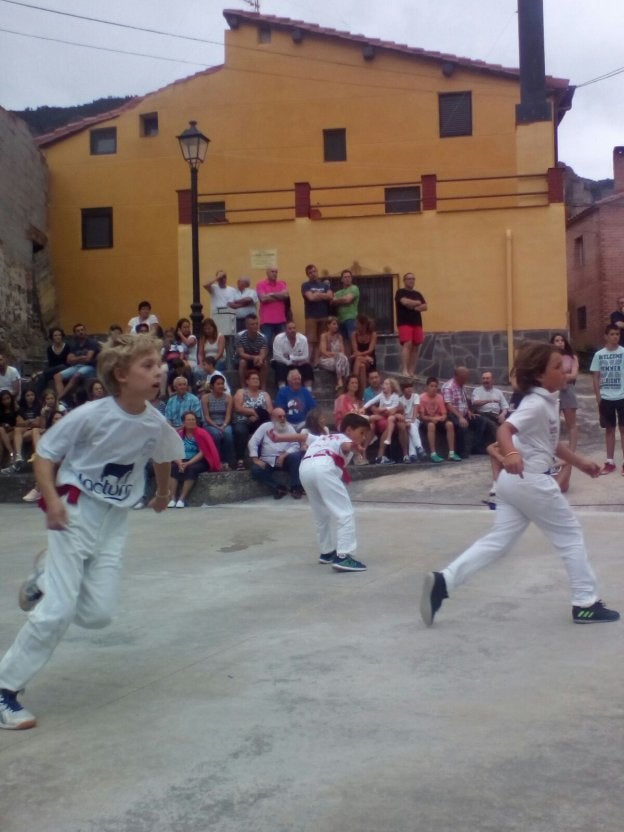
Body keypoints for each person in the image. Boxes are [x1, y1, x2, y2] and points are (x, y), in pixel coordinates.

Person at [0, 334, 184, 729]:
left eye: (159, 365)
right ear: (121, 375)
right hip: (74, 506)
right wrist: (51, 501)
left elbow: (164, 455)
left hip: (114, 519)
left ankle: (44, 575)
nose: (160, 372)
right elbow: (45, 454)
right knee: (58, 611)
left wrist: (164, 493)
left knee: (98, 614)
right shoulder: (90, 415)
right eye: (148, 366)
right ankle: (5, 688)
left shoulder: (155, 421)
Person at [420, 340, 620, 628]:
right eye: (556, 367)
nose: (564, 371)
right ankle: (585, 602)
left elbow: (550, 443)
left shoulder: (547, 400)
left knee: (499, 541)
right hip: (531, 481)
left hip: (511, 484)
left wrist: (579, 462)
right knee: (570, 537)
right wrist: (511, 453)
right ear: (539, 375)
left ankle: (444, 581)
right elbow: (505, 428)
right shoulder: (536, 403)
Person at [299, 413, 371, 571]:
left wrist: (277, 438)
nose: (364, 437)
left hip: (305, 468)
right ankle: (344, 556)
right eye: (361, 433)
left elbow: (301, 437)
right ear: (349, 430)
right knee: (345, 512)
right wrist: (354, 446)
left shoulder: (324, 438)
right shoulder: (344, 438)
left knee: (321, 514)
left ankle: (326, 552)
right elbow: (346, 446)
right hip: (323, 467)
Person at [590, 323, 624, 475]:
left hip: (622, 396)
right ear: (606, 336)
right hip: (606, 398)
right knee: (609, 429)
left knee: (623, 429)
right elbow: (596, 378)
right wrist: (599, 398)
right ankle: (610, 462)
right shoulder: (599, 355)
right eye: (612, 334)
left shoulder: (623, 352)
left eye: (617, 334)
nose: (615, 337)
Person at [248, 408, 305, 499]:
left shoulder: (289, 427)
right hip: (268, 460)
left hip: (286, 459)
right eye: (279, 417)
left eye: (284, 416)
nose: (283, 419)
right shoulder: (265, 427)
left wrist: (284, 455)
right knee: (255, 469)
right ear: (272, 418)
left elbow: (295, 445)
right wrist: (255, 459)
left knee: (296, 456)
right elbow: (253, 442)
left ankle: (296, 487)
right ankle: (278, 487)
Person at [168, 411, 221, 507]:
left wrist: (188, 463)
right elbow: (174, 451)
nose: (191, 421)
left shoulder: (202, 433)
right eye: (189, 420)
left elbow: (202, 452)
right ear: (183, 422)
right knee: (174, 468)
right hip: (182, 459)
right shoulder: (179, 434)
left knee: (191, 469)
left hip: (199, 460)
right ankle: (172, 498)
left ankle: (182, 499)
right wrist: (180, 463)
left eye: (193, 419)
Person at [442, 366, 493, 458]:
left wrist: (469, 411)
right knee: (461, 425)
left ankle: (475, 447)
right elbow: (448, 405)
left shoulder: (461, 385)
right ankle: (461, 451)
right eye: (464, 378)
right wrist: (460, 417)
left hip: (464, 414)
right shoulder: (448, 387)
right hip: (452, 415)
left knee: (482, 421)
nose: (466, 380)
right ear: (457, 377)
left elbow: (463, 401)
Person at [232, 370, 273, 470]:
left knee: (265, 430)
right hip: (242, 420)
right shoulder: (241, 392)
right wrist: (254, 412)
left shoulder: (264, 394)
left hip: (259, 421)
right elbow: (237, 407)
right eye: (253, 379)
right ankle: (240, 460)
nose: (256, 380)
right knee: (240, 430)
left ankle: (266, 458)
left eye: (257, 379)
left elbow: (270, 410)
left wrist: (257, 415)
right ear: (247, 381)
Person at [363, 377, 407, 464]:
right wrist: (363, 407)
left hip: (390, 418)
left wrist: (383, 409)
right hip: (382, 416)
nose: (384, 385)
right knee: (372, 418)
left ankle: (380, 455)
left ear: (392, 387)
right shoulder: (381, 395)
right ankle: (365, 448)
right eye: (384, 383)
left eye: (386, 384)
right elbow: (372, 401)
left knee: (389, 423)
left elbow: (392, 409)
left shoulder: (395, 396)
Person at [53, 323, 99, 403]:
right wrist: (81, 358)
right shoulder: (74, 345)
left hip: (90, 368)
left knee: (76, 375)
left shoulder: (92, 342)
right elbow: (69, 360)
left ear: (85, 331)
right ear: (75, 334)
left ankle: (59, 398)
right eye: (78, 331)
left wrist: (75, 359)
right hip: (78, 366)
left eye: (82, 330)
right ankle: (62, 402)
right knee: (57, 376)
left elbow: (88, 359)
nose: (81, 332)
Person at [550, 333, 579, 452]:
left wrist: (559, 376)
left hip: (568, 390)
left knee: (571, 423)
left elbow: (574, 375)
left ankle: (572, 450)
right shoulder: (548, 357)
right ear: (552, 343)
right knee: (552, 422)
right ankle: (553, 448)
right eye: (557, 340)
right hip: (553, 391)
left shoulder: (572, 357)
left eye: (562, 340)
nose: (560, 342)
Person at [417, 377, 457, 463]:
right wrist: (432, 419)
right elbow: (422, 416)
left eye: (435, 386)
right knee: (431, 425)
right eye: (431, 386)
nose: (434, 388)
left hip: (438, 419)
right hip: (427, 420)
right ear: (427, 387)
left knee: (449, 424)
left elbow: (444, 413)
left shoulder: (439, 397)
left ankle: (451, 453)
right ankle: (433, 453)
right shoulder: (422, 398)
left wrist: (442, 417)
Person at [395, 272, 427, 376]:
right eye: (409, 279)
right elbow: (404, 302)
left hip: (417, 323)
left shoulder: (418, 294)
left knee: (416, 345)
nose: (411, 280)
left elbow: (425, 306)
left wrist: (413, 305)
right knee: (407, 343)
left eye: (413, 279)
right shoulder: (400, 292)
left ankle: (412, 371)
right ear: (404, 281)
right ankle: (405, 369)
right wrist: (417, 303)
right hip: (404, 322)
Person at [200, 374, 235, 469]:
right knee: (216, 435)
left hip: (224, 423)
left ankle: (227, 461)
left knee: (228, 435)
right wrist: (217, 427)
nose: (221, 386)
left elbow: (228, 416)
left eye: (222, 384)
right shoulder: (205, 398)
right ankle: (217, 461)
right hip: (210, 423)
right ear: (212, 386)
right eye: (218, 384)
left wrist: (223, 426)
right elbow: (206, 417)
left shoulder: (228, 397)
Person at [301, 264, 333, 365]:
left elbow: (330, 296)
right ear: (307, 275)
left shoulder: (325, 285)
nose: (313, 274)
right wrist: (323, 295)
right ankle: (308, 362)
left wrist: (317, 294)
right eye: (310, 273)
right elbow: (310, 298)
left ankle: (317, 362)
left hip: (324, 316)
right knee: (311, 341)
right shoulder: (305, 285)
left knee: (321, 340)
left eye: (314, 271)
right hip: (311, 317)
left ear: (317, 272)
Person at [271, 321, 314, 388]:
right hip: (283, 362)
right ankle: (282, 389)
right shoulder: (278, 338)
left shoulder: (303, 339)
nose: (293, 330)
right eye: (290, 329)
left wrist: (292, 358)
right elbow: (277, 356)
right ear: (285, 330)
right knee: (280, 366)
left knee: (307, 367)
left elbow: (305, 356)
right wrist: (289, 362)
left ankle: (308, 390)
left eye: (294, 328)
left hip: (297, 363)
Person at [256, 267, 289, 347]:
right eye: (272, 272)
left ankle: (281, 359)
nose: (275, 273)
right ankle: (268, 359)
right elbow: (263, 299)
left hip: (281, 320)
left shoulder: (282, 284)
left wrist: (271, 294)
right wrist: (279, 295)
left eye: (276, 272)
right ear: (267, 273)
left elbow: (286, 295)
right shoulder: (261, 284)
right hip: (267, 321)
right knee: (266, 344)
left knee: (283, 344)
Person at [234, 313, 269, 387]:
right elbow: (241, 353)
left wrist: (260, 358)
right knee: (242, 362)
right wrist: (254, 357)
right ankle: (243, 387)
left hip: (257, 359)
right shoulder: (239, 336)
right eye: (252, 324)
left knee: (264, 362)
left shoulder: (263, 337)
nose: (255, 326)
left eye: (256, 324)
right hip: (243, 359)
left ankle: (263, 387)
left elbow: (263, 353)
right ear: (246, 325)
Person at [35, 328, 70, 396]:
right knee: (42, 377)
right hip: (53, 370)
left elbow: (68, 362)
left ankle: (41, 372)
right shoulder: (50, 349)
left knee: (61, 367)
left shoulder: (67, 347)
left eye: (59, 335)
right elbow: (51, 363)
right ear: (52, 337)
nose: (58, 337)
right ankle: (38, 397)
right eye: (55, 335)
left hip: (65, 369)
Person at [318, 316, 350, 391]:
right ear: (328, 325)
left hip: (337, 360)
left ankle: (340, 383)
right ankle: (343, 381)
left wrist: (337, 356)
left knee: (343, 358)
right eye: (334, 324)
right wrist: (335, 355)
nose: (336, 326)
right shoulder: (324, 336)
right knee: (342, 359)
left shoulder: (339, 337)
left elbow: (342, 351)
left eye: (337, 324)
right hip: (326, 359)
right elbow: (323, 351)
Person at [399, 379, 427, 462]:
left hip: (415, 419)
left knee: (412, 426)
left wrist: (412, 420)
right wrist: (406, 421)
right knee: (412, 430)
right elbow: (402, 413)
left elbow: (415, 410)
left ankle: (416, 450)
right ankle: (416, 451)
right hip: (405, 420)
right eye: (407, 387)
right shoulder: (400, 399)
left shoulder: (416, 396)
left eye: (410, 387)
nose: (409, 389)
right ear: (403, 390)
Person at [331, 269, 360, 349]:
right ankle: (347, 360)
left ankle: (355, 359)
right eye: (345, 277)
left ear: (351, 278)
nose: (347, 278)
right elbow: (332, 302)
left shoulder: (354, 288)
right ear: (342, 279)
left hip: (351, 319)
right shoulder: (338, 292)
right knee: (343, 343)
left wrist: (337, 300)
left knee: (353, 341)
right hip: (340, 320)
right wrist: (341, 300)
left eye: (349, 277)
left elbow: (348, 300)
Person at [351, 315, 377, 394]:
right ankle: (363, 394)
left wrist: (361, 355)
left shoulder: (373, 334)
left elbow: (370, 350)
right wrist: (363, 356)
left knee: (358, 359)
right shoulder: (354, 334)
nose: (355, 325)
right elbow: (355, 350)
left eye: (357, 324)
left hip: (370, 360)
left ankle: (353, 382)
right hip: (360, 360)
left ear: (363, 325)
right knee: (361, 367)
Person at [0, 389, 18, 465]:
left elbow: (20, 424)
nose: (7, 401)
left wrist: (11, 427)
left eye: (8, 398)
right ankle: (11, 454)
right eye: (4, 399)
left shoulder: (16, 408)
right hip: (3, 432)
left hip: (13, 431)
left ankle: (11, 454)